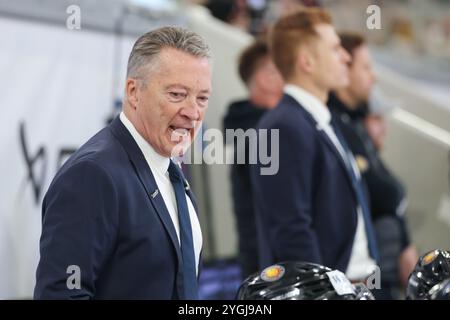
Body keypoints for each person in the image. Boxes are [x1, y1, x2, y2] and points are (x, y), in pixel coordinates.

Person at [34, 27, 212, 299]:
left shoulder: (170, 171)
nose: (192, 112)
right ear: (133, 92)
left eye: (201, 98)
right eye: (177, 94)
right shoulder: (93, 175)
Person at [251, 7, 380, 283]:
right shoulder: (282, 127)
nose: (345, 57)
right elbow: (291, 231)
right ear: (307, 62)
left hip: (358, 283)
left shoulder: (322, 120)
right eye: (335, 49)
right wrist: (322, 291)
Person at [328, 32, 418, 298]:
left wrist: (405, 242)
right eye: (366, 67)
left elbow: (392, 190)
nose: (374, 76)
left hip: (378, 271)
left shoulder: (353, 124)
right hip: (359, 278)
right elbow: (384, 193)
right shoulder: (334, 123)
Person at [223, 38, 283, 279]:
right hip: (273, 273)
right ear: (265, 78)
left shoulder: (258, 129)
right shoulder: (259, 135)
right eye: (284, 68)